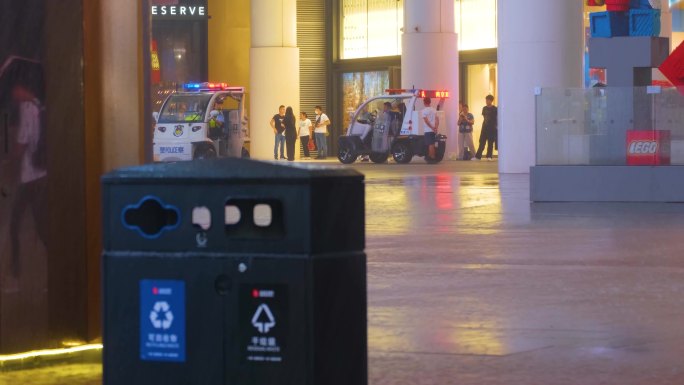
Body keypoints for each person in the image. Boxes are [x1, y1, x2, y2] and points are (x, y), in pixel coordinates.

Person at [7, 83, 47, 278]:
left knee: (15, 225)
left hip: (29, 176)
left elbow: (22, 144)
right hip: (41, 173)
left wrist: (11, 159)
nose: (13, 94)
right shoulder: (40, 105)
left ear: (22, 89)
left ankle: (15, 273)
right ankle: (54, 266)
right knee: (40, 225)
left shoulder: (27, 108)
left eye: (15, 90)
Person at [474, 94, 498, 161]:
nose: (486, 101)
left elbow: (496, 118)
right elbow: (484, 117)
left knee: (490, 143)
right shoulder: (484, 108)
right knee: (481, 142)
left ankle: (489, 156)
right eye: (486, 100)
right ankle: (478, 156)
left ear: (491, 101)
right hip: (484, 127)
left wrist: (496, 126)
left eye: (488, 100)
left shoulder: (495, 109)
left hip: (492, 128)